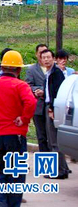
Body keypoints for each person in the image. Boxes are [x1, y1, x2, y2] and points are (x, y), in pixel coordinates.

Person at [0, 50, 37, 207]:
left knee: (0, 171)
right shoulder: (20, 85)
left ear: (2, 68)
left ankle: (0, 203)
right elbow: (31, 102)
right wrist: (23, 119)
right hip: (14, 135)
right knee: (15, 173)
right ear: (19, 70)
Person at [42, 49, 70, 179]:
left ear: (53, 58)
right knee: (52, 140)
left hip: (53, 108)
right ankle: (63, 169)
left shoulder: (56, 73)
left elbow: (58, 92)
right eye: (44, 58)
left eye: (48, 57)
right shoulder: (49, 73)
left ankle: (59, 170)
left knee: (54, 141)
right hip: (49, 106)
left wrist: (52, 109)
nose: (46, 60)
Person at [25, 43, 50, 152]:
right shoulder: (32, 69)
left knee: (52, 136)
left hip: (52, 107)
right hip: (39, 107)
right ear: (37, 55)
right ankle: (45, 162)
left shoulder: (54, 69)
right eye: (41, 53)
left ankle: (58, 162)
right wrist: (36, 90)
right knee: (41, 136)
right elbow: (28, 85)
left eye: (46, 52)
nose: (43, 56)